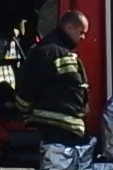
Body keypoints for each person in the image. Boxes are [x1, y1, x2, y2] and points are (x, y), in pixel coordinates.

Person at [13, 10, 90, 145]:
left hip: (64, 128)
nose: (83, 37)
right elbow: (28, 86)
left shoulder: (61, 50)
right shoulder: (47, 51)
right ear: (69, 27)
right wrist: (23, 111)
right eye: (81, 32)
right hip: (54, 130)